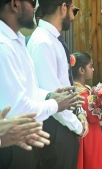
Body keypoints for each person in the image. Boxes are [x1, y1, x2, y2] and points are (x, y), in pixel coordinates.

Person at [0, 0, 82, 169]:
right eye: (31, 2)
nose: (36, 7)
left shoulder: (17, 40)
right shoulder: (6, 45)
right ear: (15, 4)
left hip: (28, 134)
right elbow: (18, 108)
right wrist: (56, 104)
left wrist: (49, 96)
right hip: (15, 140)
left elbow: (31, 89)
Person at [27, 0, 88, 169]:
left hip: (63, 124)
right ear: (63, 8)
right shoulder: (42, 42)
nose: (73, 17)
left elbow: (65, 82)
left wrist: (80, 112)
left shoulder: (52, 39)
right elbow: (53, 97)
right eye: (73, 11)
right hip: (54, 129)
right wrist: (77, 126)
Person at [71, 52, 102, 169]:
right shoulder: (82, 93)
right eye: (90, 66)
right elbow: (92, 117)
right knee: (91, 163)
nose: (93, 69)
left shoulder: (78, 88)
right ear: (81, 70)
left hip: (87, 131)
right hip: (89, 134)